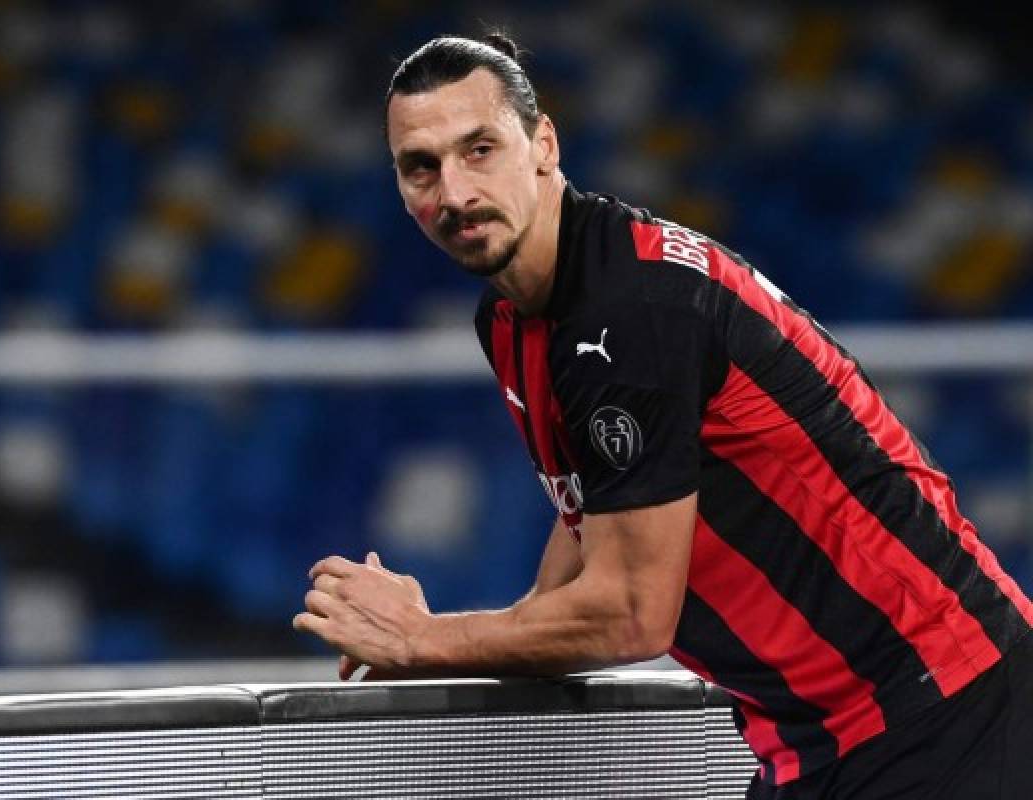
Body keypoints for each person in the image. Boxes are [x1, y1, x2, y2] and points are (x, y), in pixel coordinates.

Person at [292, 32, 1033, 799]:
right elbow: (595, 522)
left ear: (543, 143)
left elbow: (631, 615)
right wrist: (444, 636)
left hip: (949, 713)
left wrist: (425, 638)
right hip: (821, 743)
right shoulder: (517, 318)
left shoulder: (629, 311)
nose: (453, 193)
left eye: (479, 149)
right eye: (422, 167)